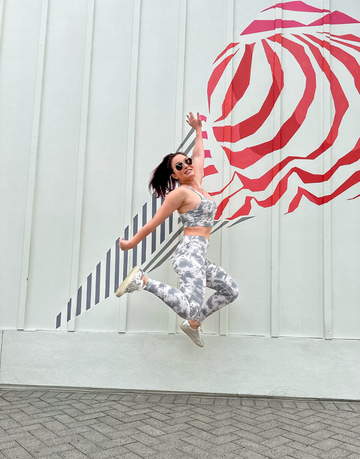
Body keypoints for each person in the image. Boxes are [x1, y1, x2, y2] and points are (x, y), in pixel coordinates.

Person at [116, 112, 239, 347]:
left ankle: (194, 324)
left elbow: (199, 154)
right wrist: (131, 243)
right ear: (175, 174)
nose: (187, 165)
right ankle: (143, 281)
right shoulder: (179, 193)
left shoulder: (198, 185)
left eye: (187, 162)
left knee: (230, 291)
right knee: (189, 307)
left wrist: (199, 130)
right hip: (188, 254)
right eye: (180, 166)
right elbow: (155, 221)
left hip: (199, 257)